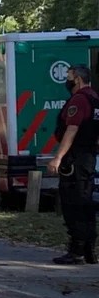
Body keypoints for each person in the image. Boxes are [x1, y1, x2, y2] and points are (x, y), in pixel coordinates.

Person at [47, 65, 99, 265]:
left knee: (73, 204)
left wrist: (58, 157)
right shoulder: (94, 98)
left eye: (68, 76)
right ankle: (89, 250)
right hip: (88, 157)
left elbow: (71, 130)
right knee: (86, 203)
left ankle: (76, 251)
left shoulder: (79, 100)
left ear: (77, 79)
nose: (66, 80)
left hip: (75, 158)